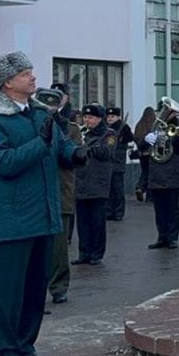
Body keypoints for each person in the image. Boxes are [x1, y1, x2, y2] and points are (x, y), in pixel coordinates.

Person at [0, 51, 84, 356]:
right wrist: (41, 143)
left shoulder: (38, 112)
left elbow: (60, 146)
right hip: (14, 219)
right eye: (26, 73)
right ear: (8, 83)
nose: (33, 77)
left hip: (46, 214)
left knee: (36, 288)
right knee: (10, 292)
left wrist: (78, 153)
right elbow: (2, 164)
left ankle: (26, 347)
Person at [46, 83, 81, 305]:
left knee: (59, 247)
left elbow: (71, 158)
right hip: (35, 193)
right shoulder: (30, 123)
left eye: (54, 103)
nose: (50, 108)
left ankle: (59, 287)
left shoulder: (71, 128)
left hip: (61, 191)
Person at [72, 104, 115, 265]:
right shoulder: (82, 133)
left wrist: (87, 145)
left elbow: (106, 152)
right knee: (82, 222)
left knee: (97, 221)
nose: (86, 120)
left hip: (98, 184)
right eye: (85, 117)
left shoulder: (109, 134)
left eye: (90, 117)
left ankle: (97, 253)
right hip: (81, 182)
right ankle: (84, 253)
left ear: (98, 119)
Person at [137, 102, 179, 250]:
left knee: (172, 208)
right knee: (159, 209)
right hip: (156, 173)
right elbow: (141, 147)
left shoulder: (177, 126)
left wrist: (168, 138)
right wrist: (146, 139)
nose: (161, 114)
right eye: (161, 111)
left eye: (165, 111)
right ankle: (162, 236)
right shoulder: (154, 127)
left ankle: (172, 238)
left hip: (171, 172)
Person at [104, 107, 134, 221]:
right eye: (108, 117)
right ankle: (109, 211)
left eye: (113, 117)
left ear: (118, 117)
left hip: (118, 162)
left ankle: (119, 212)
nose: (110, 119)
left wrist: (124, 131)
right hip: (108, 161)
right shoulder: (106, 128)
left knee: (118, 189)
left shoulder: (123, 127)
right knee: (109, 189)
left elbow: (130, 138)